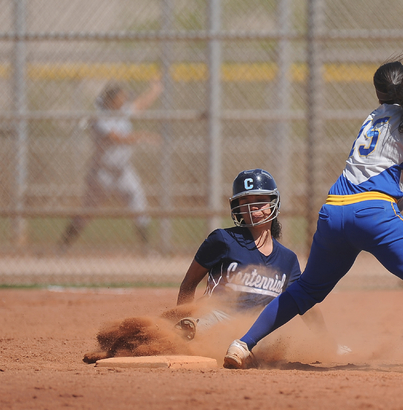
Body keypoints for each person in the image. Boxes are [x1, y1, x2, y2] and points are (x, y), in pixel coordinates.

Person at [223, 61, 403, 372]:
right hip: (373, 213)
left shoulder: (373, 119)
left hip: (334, 212)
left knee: (306, 290)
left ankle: (242, 344)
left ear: (379, 94)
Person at [175, 169, 342, 356]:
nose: (252, 209)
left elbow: (305, 304)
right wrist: (181, 318)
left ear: (273, 203)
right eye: (244, 203)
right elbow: (188, 284)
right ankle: (185, 333)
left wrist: (328, 342)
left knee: (272, 345)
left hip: (254, 329)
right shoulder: (223, 240)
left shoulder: (287, 259)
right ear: (236, 208)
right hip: (217, 316)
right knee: (199, 327)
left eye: (259, 202)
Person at [59, 78, 163, 251]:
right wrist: (143, 136)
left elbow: (140, 105)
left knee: (139, 205)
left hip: (123, 172)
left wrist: (156, 90)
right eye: (121, 97)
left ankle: (147, 249)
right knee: (86, 212)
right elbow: (117, 139)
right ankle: (62, 246)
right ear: (112, 100)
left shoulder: (121, 111)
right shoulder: (100, 117)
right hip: (102, 174)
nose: (124, 100)